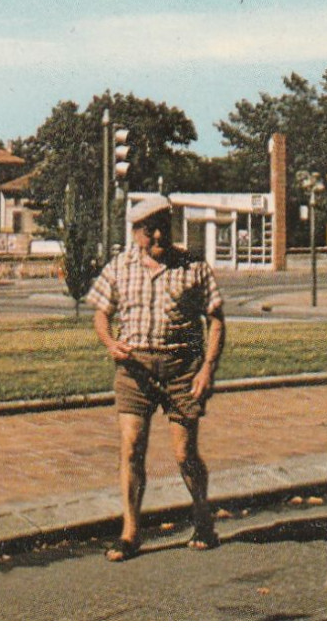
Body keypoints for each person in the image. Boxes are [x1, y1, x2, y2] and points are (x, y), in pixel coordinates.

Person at [88, 194, 225, 561]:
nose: (159, 237)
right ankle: (130, 532)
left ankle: (202, 519)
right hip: (135, 370)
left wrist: (208, 368)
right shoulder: (119, 267)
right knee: (131, 447)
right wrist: (109, 342)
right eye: (151, 231)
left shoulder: (193, 266)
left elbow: (216, 320)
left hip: (182, 369)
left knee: (184, 453)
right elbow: (102, 313)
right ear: (136, 233)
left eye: (165, 228)